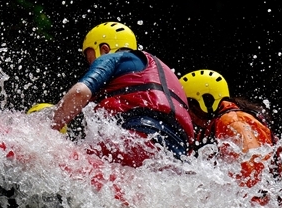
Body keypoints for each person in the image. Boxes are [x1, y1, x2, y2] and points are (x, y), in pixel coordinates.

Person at [50, 22, 194, 167]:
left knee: (60, 157)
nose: (91, 65)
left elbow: (80, 92)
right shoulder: (168, 76)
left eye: (90, 59)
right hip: (175, 158)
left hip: (138, 140)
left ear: (104, 49)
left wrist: (48, 129)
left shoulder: (112, 57)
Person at [181, 69, 274, 186]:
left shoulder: (232, 122)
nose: (187, 114)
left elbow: (253, 178)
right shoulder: (212, 126)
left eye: (188, 106)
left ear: (206, 102)